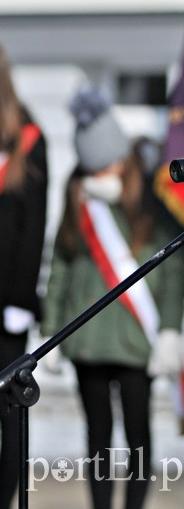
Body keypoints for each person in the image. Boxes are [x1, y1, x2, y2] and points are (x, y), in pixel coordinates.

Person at [42, 87, 184, 509]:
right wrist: (51, 329)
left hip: (134, 341)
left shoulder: (151, 199)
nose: (102, 174)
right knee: (98, 437)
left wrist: (171, 330)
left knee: (138, 436)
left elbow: (175, 268)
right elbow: (60, 266)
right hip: (87, 340)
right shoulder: (77, 198)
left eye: (108, 165)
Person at [0, 45, 48, 509]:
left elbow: (33, 225)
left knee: (8, 417)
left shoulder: (30, 136)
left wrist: (19, 297)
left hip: (7, 306)